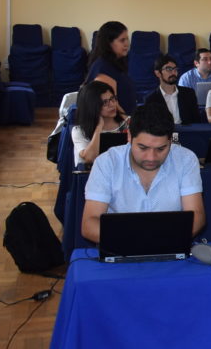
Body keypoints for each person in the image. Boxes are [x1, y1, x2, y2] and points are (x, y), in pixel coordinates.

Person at [81, 103, 204, 244]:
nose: (151, 158)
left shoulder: (186, 159)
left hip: (170, 244)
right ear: (129, 137)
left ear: (171, 140)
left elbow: (197, 216)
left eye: (161, 149)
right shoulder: (107, 162)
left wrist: (156, 241)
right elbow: (89, 224)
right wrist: (142, 241)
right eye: (143, 148)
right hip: (120, 247)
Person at [72, 81, 128, 167]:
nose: (112, 104)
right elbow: (90, 158)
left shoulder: (127, 124)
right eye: (105, 102)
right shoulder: (80, 131)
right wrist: (98, 128)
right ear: (92, 107)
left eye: (112, 99)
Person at [86, 21, 136, 113]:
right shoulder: (103, 69)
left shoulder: (116, 61)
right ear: (109, 43)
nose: (127, 44)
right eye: (122, 40)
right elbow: (112, 108)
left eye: (127, 39)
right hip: (117, 120)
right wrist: (128, 120)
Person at [143, 54, 200, 125]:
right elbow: (151, 125)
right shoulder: (151, 99)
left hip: (187, 131)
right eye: (169, 69)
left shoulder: (189, 94)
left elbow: (196, 122)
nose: (173, 72)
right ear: (158, 73)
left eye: (175, 69)